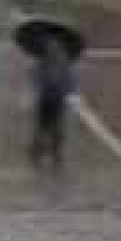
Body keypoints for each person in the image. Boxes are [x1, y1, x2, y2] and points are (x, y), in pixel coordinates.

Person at [31, 38, 76, 168]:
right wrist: (70, 91)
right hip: (55, 98)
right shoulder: (63, 61)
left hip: (48, 97)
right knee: (54, 123)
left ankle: (42, 147)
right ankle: (52, 148)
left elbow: (36, 76)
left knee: (44, 124)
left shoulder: (44, 61)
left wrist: (39, 86)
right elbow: (70, 79)